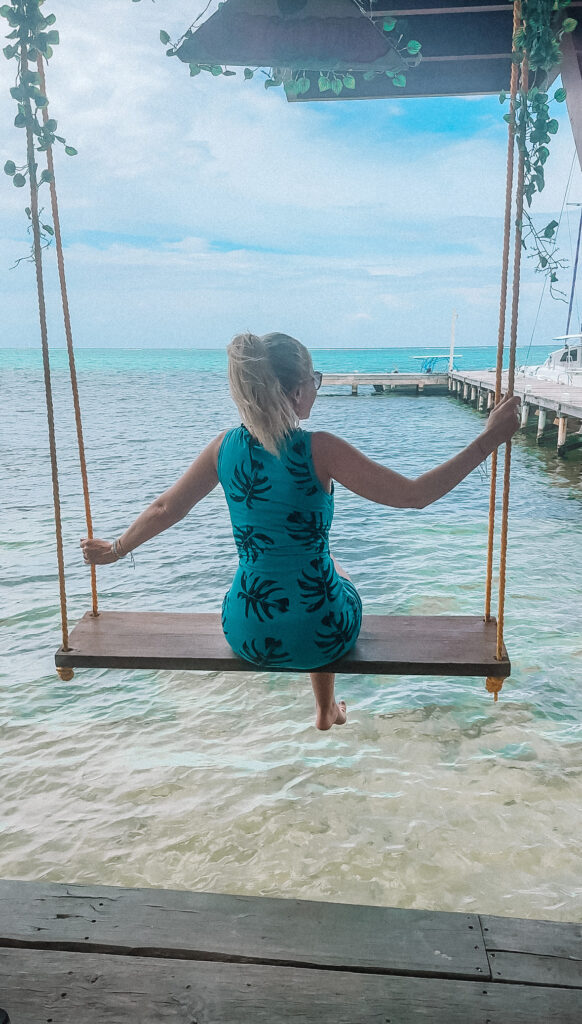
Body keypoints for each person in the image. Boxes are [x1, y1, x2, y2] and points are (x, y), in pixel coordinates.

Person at [81, 332, 520, 731]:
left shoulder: (223, 449)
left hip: (247, 631)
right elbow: (414, 495)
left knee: (309, 572)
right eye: (315, 379)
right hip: (323, 632)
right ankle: (325, 708)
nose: (317, 387)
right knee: (329, 575)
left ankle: (326, 710)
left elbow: (165, 508)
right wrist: (488, 439)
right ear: (295, 391)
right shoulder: (319, 449)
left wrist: (114, 549)